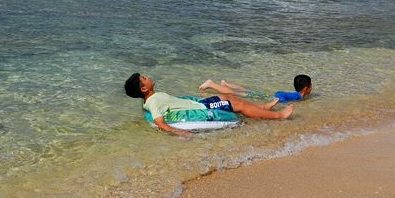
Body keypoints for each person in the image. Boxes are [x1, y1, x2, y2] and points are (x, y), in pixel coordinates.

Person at [124, 73, 293, 137]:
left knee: (226, 95)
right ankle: (279, 116)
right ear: (144, 88)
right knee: (236, 104)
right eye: (144, 78)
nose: (148, 77)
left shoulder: (152, 97)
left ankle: (261, 109)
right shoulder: (153, 102)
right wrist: (181, 133)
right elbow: (160, 122)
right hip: (201, 109)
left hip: (198, 104)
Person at [199, 74, 312, 109]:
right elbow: (281, 94)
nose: (312, 88)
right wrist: (279, 100)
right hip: (271, 98)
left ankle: (225, 84)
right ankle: (211, 84)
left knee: (247, 91)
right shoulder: (298, 96)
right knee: (237, 94)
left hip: (269, 96)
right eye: (311, 86)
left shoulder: (296, 94)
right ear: (306, 88)